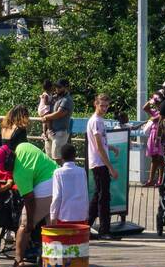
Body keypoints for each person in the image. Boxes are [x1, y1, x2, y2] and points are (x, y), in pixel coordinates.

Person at [7, 139, 58, 267]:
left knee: (23, 226)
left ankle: (18, 263)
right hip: (59, 180)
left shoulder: (19, 173)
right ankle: (50, 263)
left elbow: (29, 200)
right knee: (52, 226)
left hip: (46, 187)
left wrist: (30, 223)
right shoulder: (22, 145)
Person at [85, 93, 118, 239]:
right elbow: (98, 146)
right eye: (102, 105)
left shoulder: (97, 120)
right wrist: (110, 167)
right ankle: (105, 230)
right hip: (99, 163)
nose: (104, 108)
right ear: (95, 104)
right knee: (104, 197)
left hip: (98, 162)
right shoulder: (96, 121)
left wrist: (110, 147)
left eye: (106, 106)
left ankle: (86, 226)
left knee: (98, 195)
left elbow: (101, 144)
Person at [50, 143, 88, 224]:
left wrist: (53, 216)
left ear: (61, 158)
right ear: (74, 157)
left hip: (65, 216)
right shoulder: (82, 171)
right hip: (81, 215)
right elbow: (85, 194)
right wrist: (86, 213)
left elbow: (57, 197)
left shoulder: (58, 172)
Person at [41, 79, 73, 160]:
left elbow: (59, 114)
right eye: (56, 87)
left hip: (60, 133)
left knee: (57, 158)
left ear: (66, 87)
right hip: (51, 133)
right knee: (48, 159)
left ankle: (59, 173)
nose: (57, 89)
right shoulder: (56, 97)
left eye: (59, 87)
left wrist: (46, 117)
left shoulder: (67, 100)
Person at [37, 80, 54, 153]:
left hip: (46, 109)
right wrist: (52, 102)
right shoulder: (45, 95)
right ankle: (49, 130)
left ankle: (44, 133)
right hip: (44, 109)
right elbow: (46, 103)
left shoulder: (49, 93)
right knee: (47, 118)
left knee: (45, 121)